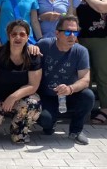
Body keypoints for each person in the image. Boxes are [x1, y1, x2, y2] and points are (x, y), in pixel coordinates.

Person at [36, 16, 95, 145]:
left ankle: (76, 131)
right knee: (45, 121)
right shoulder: (44, 45)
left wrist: (70, 89)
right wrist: (30, 48)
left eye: (75, 32)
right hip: (47, 95)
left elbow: (85, 79)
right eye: (68, 32)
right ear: (57, 33)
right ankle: (50, 123)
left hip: (69, 94)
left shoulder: (81, 51)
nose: (72, 36)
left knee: (88, 96)